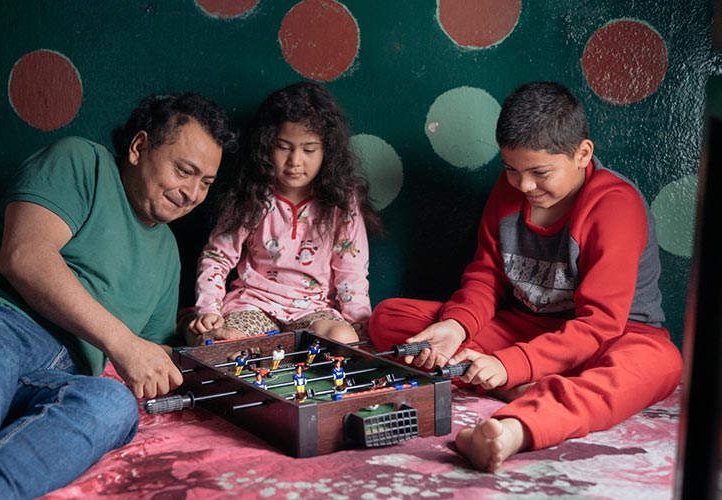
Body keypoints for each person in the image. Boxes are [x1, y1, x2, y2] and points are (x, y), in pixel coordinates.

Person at [0, 92, 236, 499]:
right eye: (184, 171)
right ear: (140, 147)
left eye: (205, 183)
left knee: (112, 405)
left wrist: (205, 345)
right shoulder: (82, 161)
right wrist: (122, 342)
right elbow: (25, 257)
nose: (192, 192)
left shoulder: (168, 253)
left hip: (63, 370)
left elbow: (152, 350)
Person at [368, 81, 683, 472]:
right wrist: (456, 326)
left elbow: (600, 325)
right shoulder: (509, 190)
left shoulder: (614, 205)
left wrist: (509, 363)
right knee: (391, 319)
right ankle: (516, 383)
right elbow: (486, 277)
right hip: (526, 328)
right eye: (512, 170)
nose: (525, 186)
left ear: (583, 154)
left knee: (659, 364)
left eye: (540, 172)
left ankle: (517, 426)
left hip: (613, 338)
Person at [187, 81, 382, 346]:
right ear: (267, 144)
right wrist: (208, 308)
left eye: (309, 150)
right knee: (227, 342)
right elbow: (217, 256)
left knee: (343, 339)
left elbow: (352, 276)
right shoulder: (252, 194)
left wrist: (361, 335)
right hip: (254, 305)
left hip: (313, 311)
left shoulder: (342, 203)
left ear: (328, 152)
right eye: (283, 147)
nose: (295, 161)